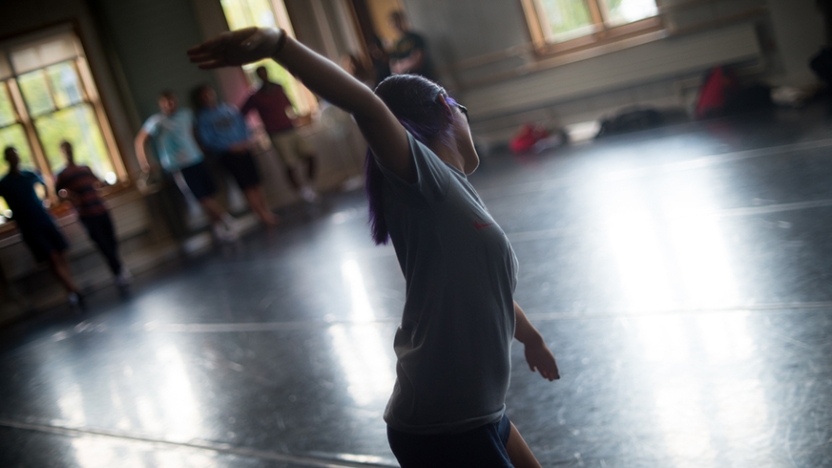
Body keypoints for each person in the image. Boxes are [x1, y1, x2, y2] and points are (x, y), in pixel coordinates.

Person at [189, 27, 559, 467]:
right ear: (446, 106)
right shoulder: (426, 180)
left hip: (482, 412)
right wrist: (279, 45)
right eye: (464, 109)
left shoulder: (456, 191)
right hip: (445, 423)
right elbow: (366, 105)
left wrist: (531, 339)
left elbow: (486, 290)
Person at [134, 90, 238, 243]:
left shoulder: (186, 115)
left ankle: (218, 227)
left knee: (209, 194)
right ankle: (226, 219)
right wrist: (145, 163)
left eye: (172, 101)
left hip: (196, 159)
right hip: (179, 166)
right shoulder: (157, 122)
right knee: (200, 196)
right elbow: (141, 140)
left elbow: (194, 133)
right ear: (161, 104)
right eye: (166, 102)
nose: (170, 105)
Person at [0, 146, 83, 309]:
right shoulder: (5, 183)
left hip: (44, 220)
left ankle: (71, 288)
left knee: (60, 253)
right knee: (51, 257)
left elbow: (44, 184)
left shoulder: (29, 174)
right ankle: (72, 289)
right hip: (29, 226)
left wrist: (44, 201)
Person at [193, 84, 278, 226]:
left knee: (256, 182)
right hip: (228, 155)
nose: (208, 97)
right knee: (246, 185)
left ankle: (266, 210)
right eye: (204, 95)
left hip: (245, 149)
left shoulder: (229, 109)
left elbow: (243, 125)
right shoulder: (203, 119)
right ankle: (261, 215)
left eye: (209, 93)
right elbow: (207, 140)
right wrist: (229, 147)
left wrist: (245, 142)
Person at [55, 141, 131, 292]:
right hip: (86, 214)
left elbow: (98, 182)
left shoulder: (85, 168)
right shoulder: (63, 175)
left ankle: (118, 269)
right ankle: (118, 271)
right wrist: (69, 197)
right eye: (66, 150)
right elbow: (58, 194)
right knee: (102, 243)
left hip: (100, 208)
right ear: (62, 153)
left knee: (111, 240)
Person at [240, 67, 319, 203]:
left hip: (290, 128)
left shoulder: (278, 87)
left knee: (310, 155)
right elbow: (241, 113)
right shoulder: (255, 96)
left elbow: (289, 105)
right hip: (276, 134)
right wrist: (251, 132)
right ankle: (302, 192)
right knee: (289, 164)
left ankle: (309, 185)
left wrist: (299, 117)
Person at [388, 10, 436, 81]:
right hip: (408, 82)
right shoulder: (396, 45)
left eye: (398, 21)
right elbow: (394, 67)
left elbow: (418, 60)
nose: (396, 25)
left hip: (424, 78)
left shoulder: (416, 38)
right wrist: (408, 62)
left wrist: (402, 65)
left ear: (403, 20)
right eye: (394, 23)